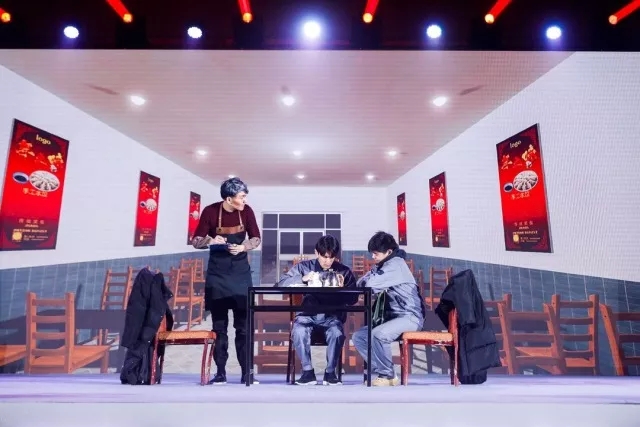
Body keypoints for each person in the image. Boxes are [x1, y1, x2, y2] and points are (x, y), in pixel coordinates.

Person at [192, 177, 261, 385]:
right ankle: (220, 373)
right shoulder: (210, 211)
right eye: (242, 196)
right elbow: (196, 240)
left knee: (243, 327)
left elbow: (256, 238)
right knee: (219, 327)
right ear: (229, 199)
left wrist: (243, 247)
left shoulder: (247, 211)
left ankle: (246, 373)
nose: (245, 199)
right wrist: (211, 240)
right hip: (218, 276)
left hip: (240, 274)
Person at [276, 235, 358, 385]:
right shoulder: (303, 267)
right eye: (324, 256)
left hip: (332, 317)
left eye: (331, 257)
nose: (328, 261)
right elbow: (281, 284)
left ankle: (330, 372)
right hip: (307, 315)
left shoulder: (344, 271)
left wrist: (342, 289)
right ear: (316, 253)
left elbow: (353, 299)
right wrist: (302, 279)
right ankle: (307, 372)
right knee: (298, 331)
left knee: (337, 333)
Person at [352, 231, 425, 386]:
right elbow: (361, 283)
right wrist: (371, 276)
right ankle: (385, 370)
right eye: (372, 253)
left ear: (389, 252)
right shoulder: (384, 264)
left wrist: (371, 277)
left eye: (376, 254)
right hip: (394, 318)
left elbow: (369, 285)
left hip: (410, 317)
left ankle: (387, 375)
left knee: (378, 334)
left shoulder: (395, 265)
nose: (373, 257)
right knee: (359, 337)